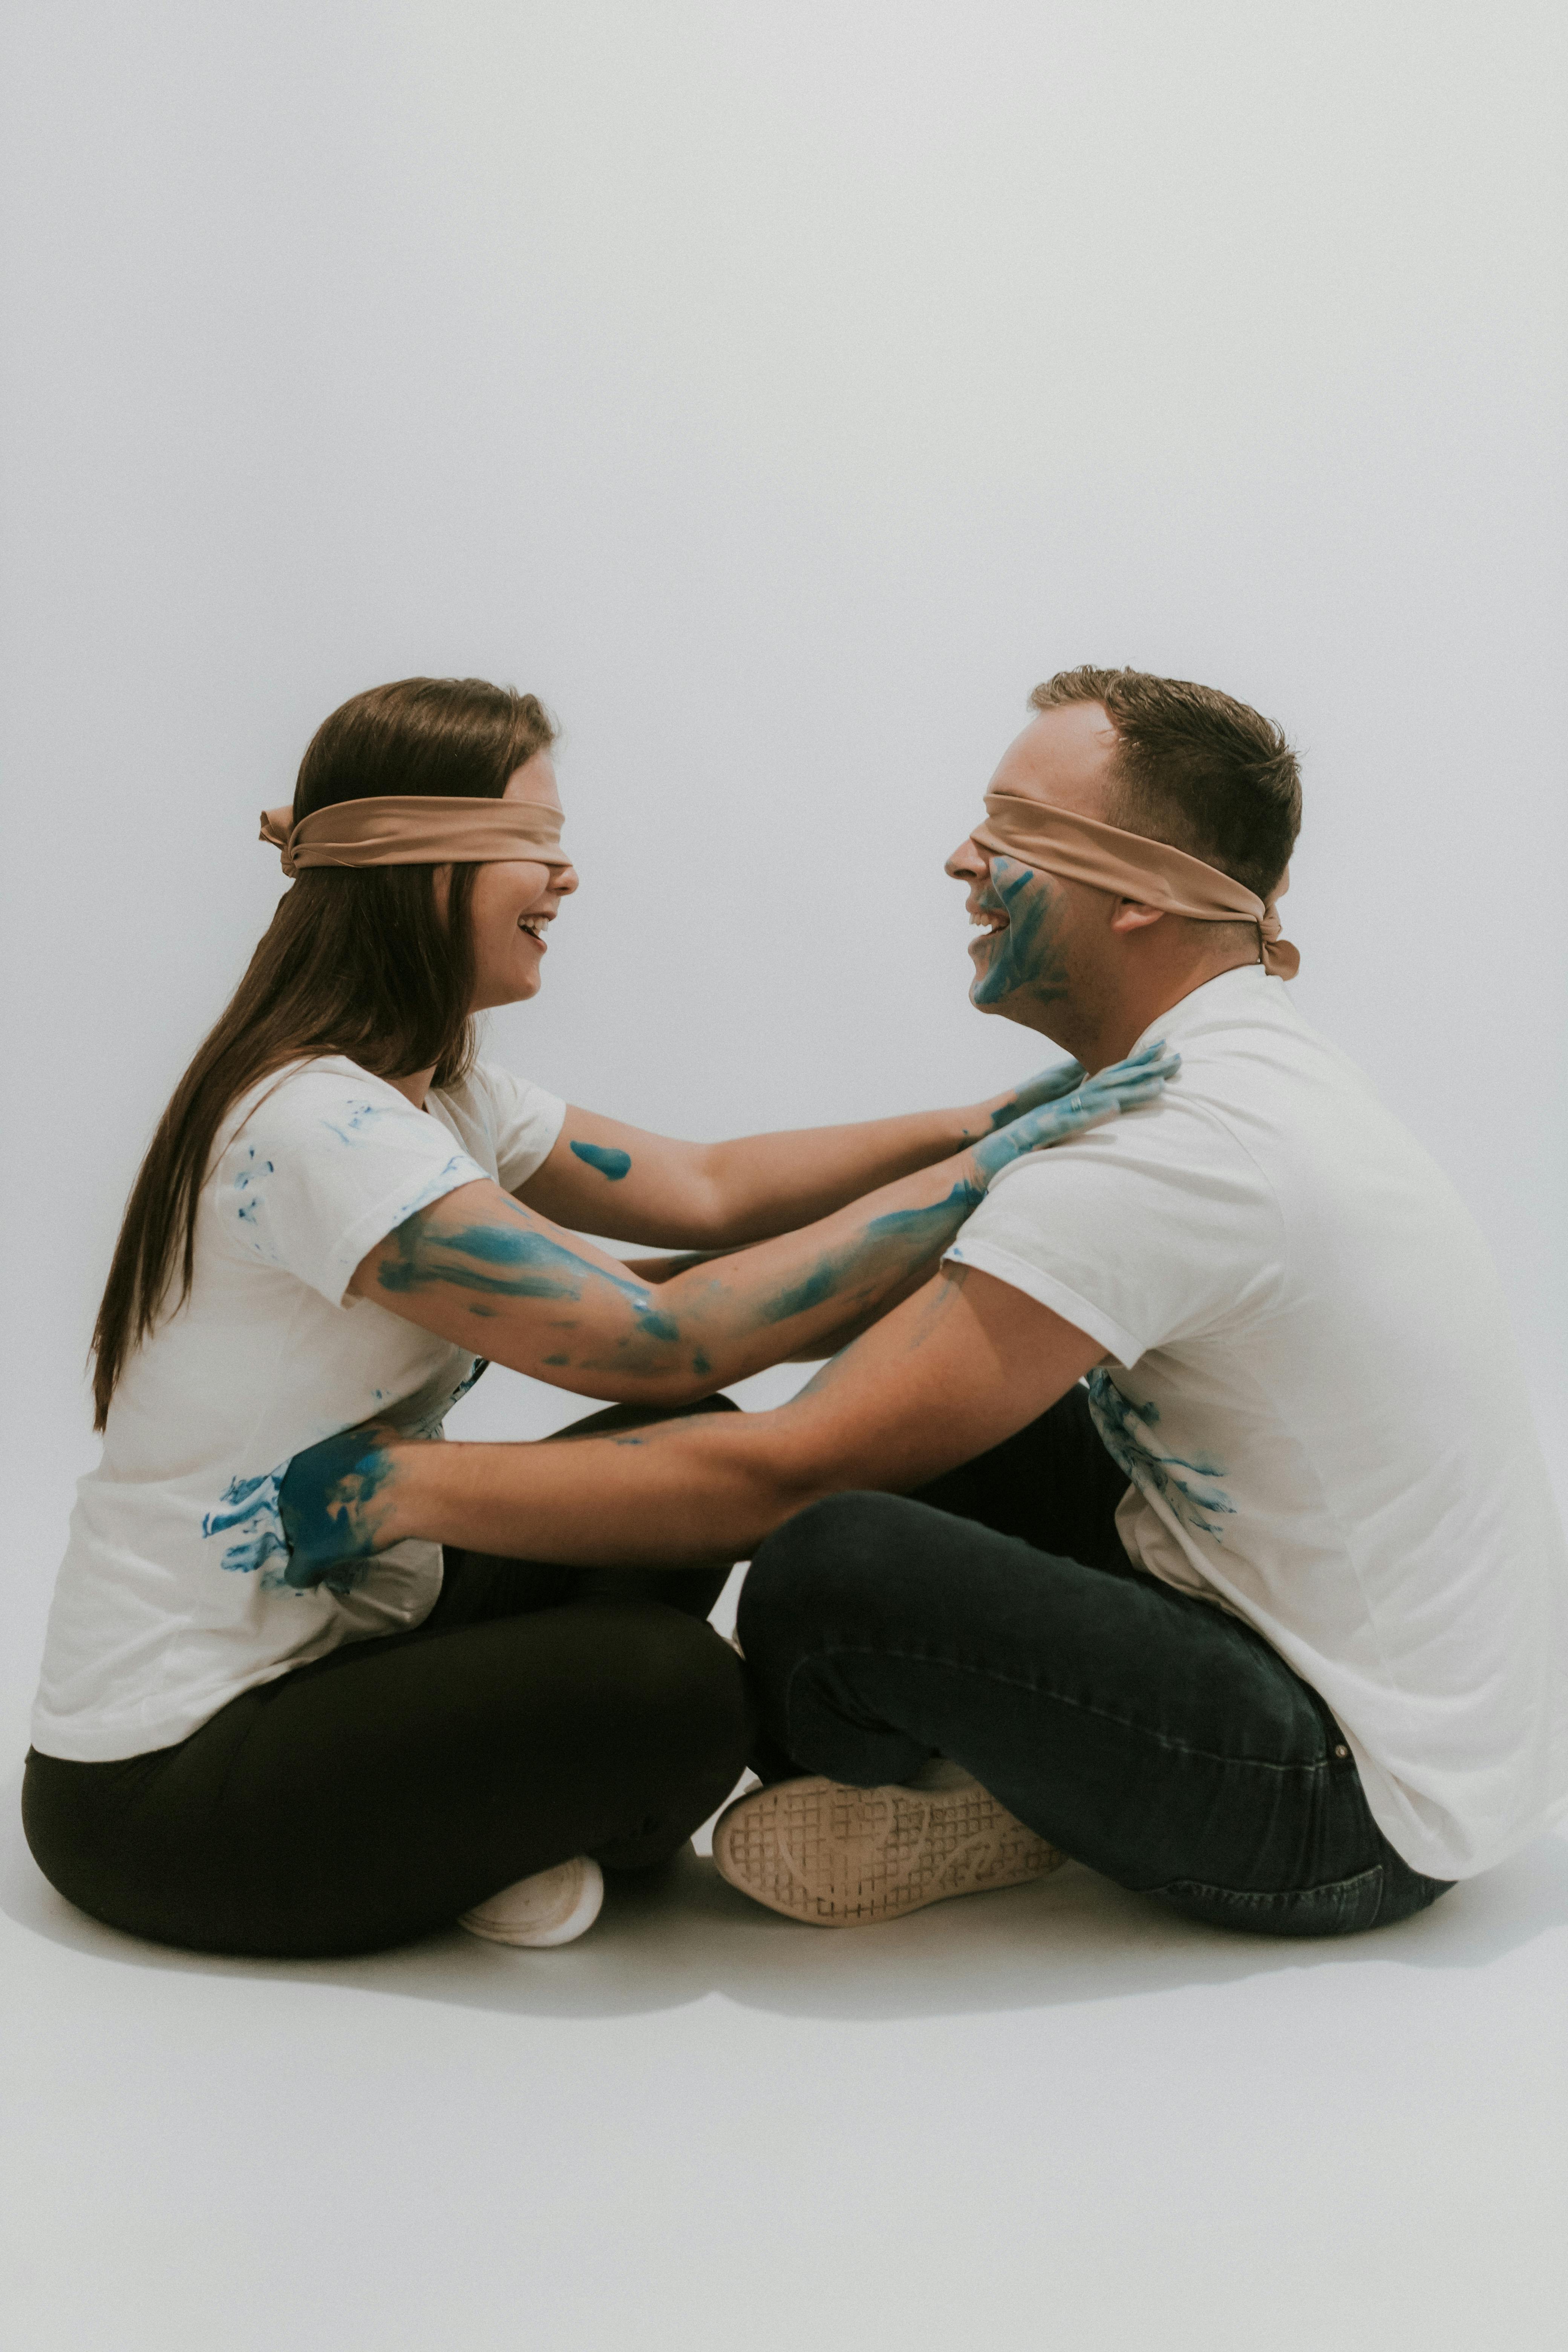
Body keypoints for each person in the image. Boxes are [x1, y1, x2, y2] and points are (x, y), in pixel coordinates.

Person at [270, 665, 1568, 1943]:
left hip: (1349, 1810)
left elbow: (781, 1465)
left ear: (1136, 895)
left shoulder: (1167, 1150)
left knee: (832, 1554)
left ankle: (1032, 1804)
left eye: (1011, 831)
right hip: (1420, 1722)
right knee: (965, 1413)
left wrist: (405, 1487)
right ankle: (1061, 1771)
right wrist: (971, 1144)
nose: (962, 859)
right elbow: (741, 1234)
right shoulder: (1230, 1072)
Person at [21, 673, 1172, 1959]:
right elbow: (658, 1332)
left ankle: (478, 1818)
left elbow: (707, 1189)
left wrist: (981, 1124)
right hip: (167, 1783)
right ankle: (463, 1835)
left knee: (675, 1439)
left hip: (358, 1630)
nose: (564, 879)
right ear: (422, 865)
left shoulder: (440, 1089)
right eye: (534, 845)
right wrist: (979, 1184)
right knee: (679, 1699)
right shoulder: (319, 1130)